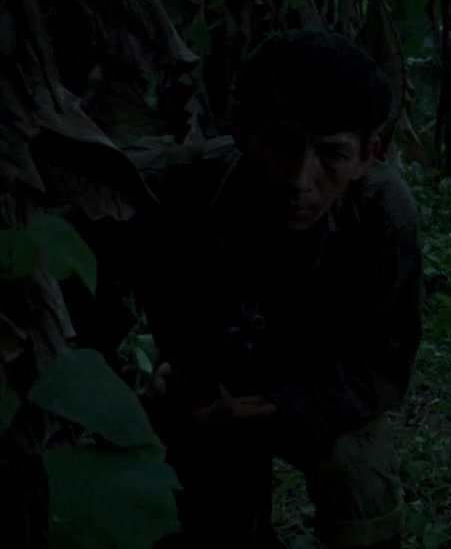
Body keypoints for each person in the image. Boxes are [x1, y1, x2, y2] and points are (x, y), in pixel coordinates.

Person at [85, 31, 422, 549]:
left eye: (331, 154)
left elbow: (380, 365)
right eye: (284, 144)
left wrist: (278, 407)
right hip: (202, 395)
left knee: (356, 467)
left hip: (315, 396)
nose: (301, 180)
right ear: (243, 130)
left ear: (365, 157)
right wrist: (136, 385)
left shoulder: (382, 217)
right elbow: (70, 298)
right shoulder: (171, 188)